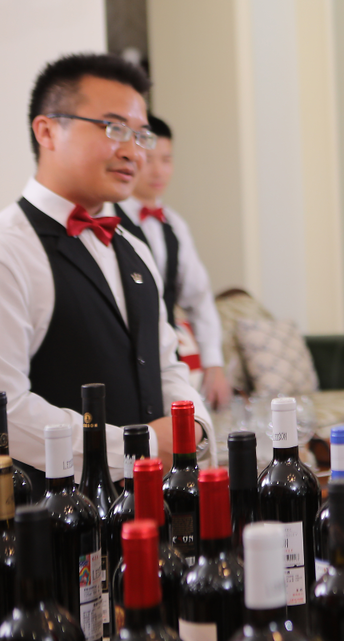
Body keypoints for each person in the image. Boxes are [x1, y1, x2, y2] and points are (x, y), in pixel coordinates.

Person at [0, 52, 216, 488]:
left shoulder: (132, 245)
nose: (133, 151)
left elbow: (165, 364)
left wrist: (193, 427)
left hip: (148, 506)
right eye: (113, 128)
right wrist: (139, 447)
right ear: (47, 131)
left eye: (141, 135)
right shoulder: (10, 249)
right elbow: (8, 410)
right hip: (54, 514)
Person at [115, 114, 230, 407]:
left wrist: (213, 363)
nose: (158, 171)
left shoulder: (175, 225)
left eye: (166, 160)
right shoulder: (107, 218)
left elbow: (199, 297)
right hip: (121, 354)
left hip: (166, 358)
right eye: (149, 159)